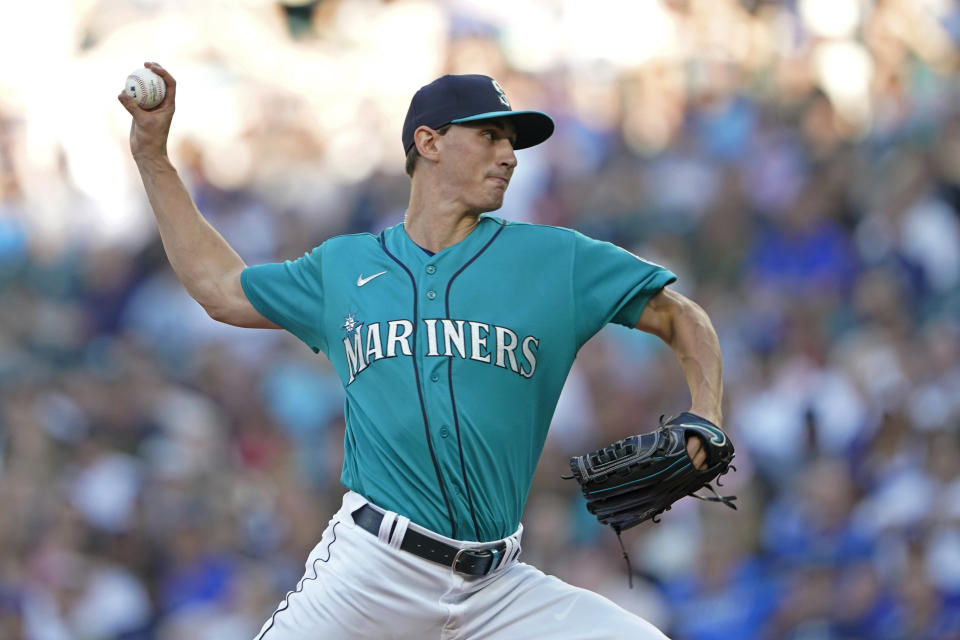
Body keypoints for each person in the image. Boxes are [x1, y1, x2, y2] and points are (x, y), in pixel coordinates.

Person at [119, 62, 723, 640]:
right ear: (429, 143)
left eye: (511, 141)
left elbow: (679, 315)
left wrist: (707, 411)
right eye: (489, 136)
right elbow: (221, 290)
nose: (509, 155)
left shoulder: (555, 259)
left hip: (498, 588)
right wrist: (152, 157)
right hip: (372, 572)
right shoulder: (345, 266)